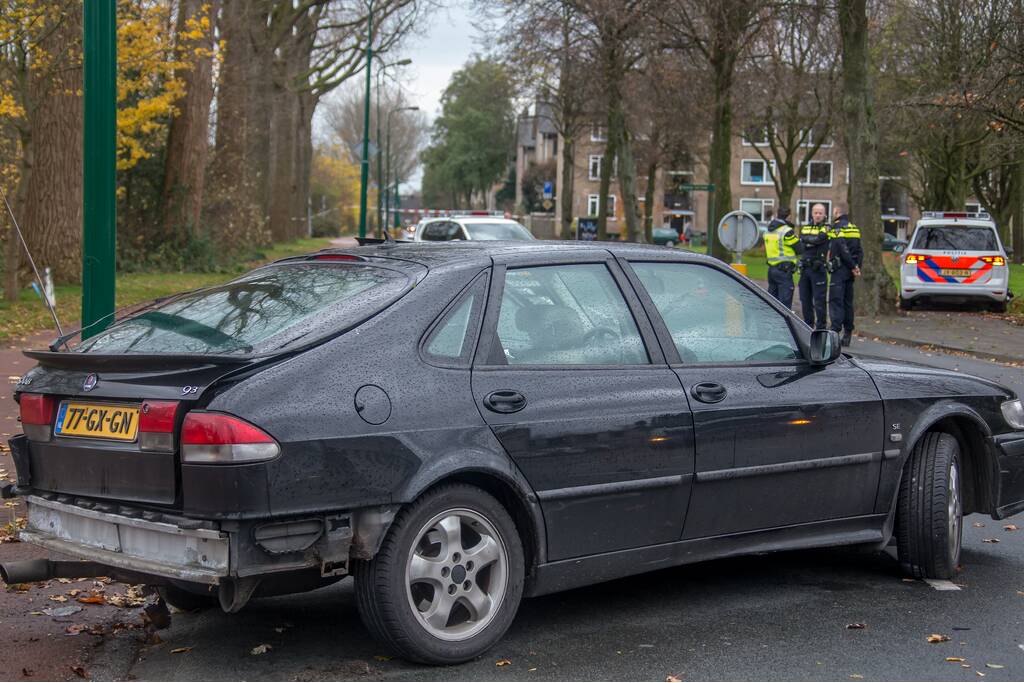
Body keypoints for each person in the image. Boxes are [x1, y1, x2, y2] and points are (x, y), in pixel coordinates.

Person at [828, 203, 862, 346]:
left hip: (840, 269)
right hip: (850, 271)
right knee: (848, 302)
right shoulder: (854, 228)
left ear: (837, 212)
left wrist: (852, 265)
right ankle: (848, 333)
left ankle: (835, 332)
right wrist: (857, 266)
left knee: (836, 301)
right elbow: (859, 250)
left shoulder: (837, 227)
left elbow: (842, 249)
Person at [797, 203, 831, 329]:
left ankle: (821, 328)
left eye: (820, 213)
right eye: (816, 213)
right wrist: (811, 241)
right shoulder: (805, 227)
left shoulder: (827, 228)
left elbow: (820, 239)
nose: (818, 215)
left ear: (824, 214)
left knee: (819, 300)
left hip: (818, 269)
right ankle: (808, 326)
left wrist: (808, 240)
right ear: (812, 213)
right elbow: (802, 243)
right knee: (804, 299)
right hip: (805, 268)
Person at [763, 207, 802, 308]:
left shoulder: (768, 230)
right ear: (789, 216)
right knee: (784, 305)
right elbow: (800, 249)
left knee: (772, 304)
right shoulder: (787, 231)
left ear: (777, 214)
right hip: (784, 271)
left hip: (771, 270)